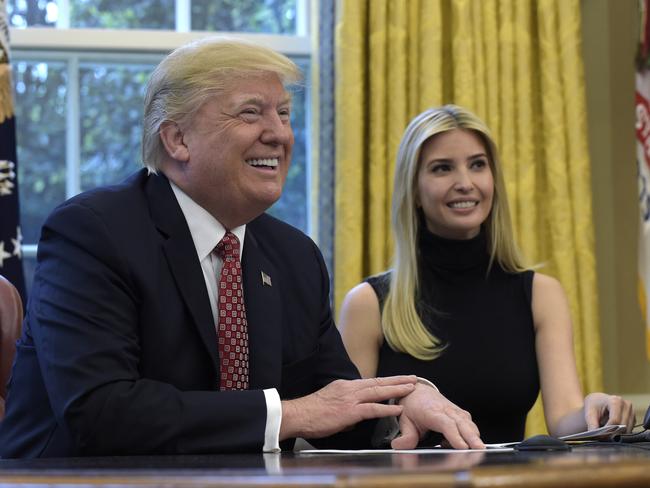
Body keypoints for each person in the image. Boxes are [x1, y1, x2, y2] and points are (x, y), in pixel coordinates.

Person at [0, 39, 485, 458]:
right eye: (251, 112)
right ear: (177, 139)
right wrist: (290, 414)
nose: (279, 133)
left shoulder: (294, 257)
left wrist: (403, 404)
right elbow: (101, 412)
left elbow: (334, 402)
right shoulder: (93, 232)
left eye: (284, 114)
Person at [338, 105, 636, 444]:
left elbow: (563, 418)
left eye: (477, 165)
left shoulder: (541, 294)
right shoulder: (368, 304)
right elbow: (349, 431)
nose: (465, 183)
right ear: (414, 191)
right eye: (442, 168)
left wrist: (594, 412)